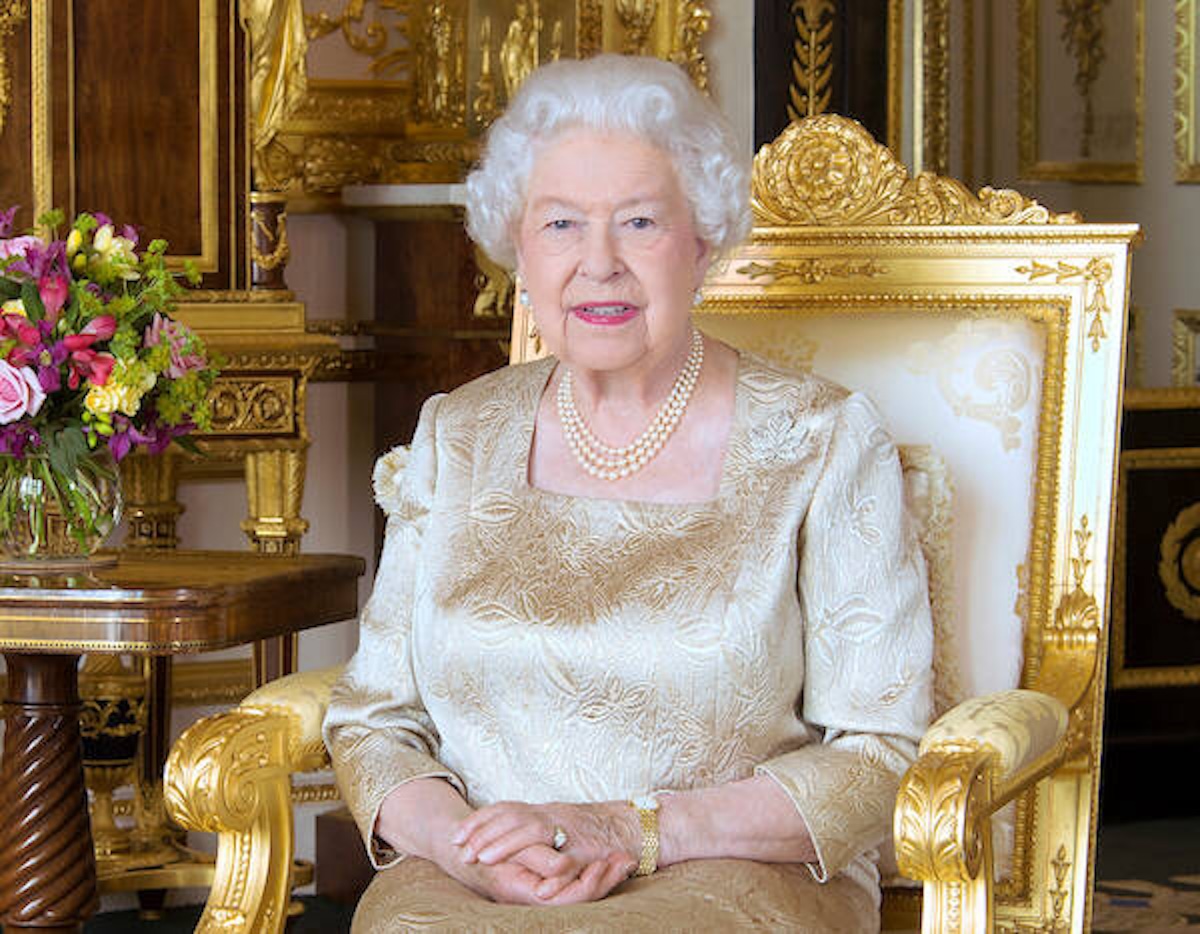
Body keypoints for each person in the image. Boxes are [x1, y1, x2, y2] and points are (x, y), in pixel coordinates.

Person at [323, 53, 934, 932]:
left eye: (640, 222)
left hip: (732, 873)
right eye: (562, 224)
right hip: (478, 881)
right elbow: (375, 720)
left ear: (701, 241)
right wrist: (465, 844)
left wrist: (632, 830)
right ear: (519, 251)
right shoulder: (458, 435)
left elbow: (878, 757)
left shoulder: (819, 439)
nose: (598, 263)